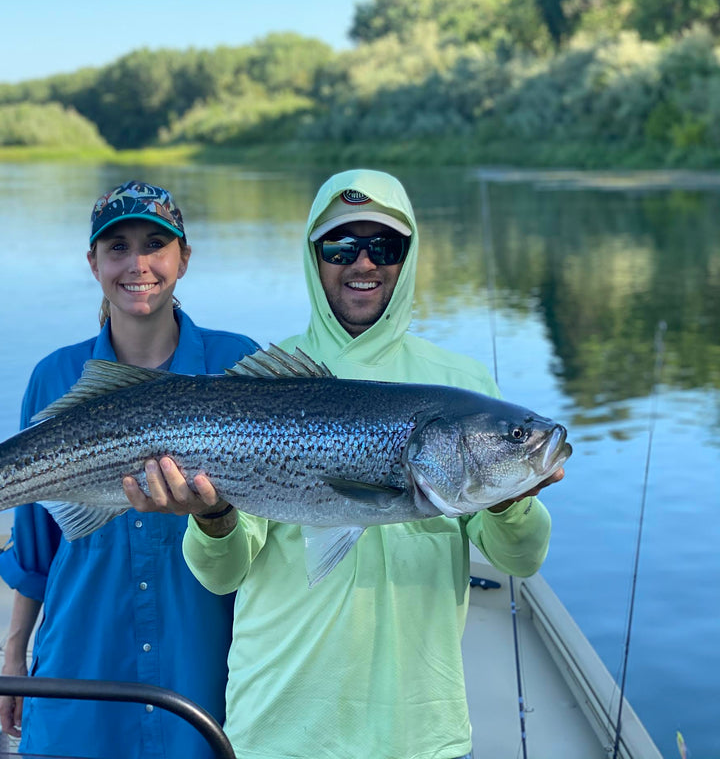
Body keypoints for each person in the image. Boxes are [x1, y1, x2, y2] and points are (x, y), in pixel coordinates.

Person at [124, 169, 564, 759]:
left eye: (384, 246)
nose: (363, 263)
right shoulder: (269, 378)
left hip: (421, 736)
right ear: (315, 256)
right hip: (278, 730)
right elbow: (220, 575)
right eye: (340, 245)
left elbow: (521, 558)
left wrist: (512, 496)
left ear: (407, 258)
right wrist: (212, 519)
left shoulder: (462, 384)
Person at [0, 180, 258, 759]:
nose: (137, 263)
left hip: (203, 667)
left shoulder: (239, 363)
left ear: (183, 258)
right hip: (81, 665)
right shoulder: (54, 377)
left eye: (155, 244)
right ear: (93, 263)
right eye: (117, 247)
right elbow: (35, 546)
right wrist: (14, 658)